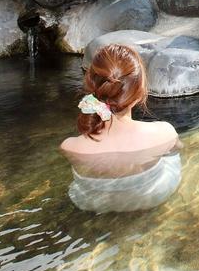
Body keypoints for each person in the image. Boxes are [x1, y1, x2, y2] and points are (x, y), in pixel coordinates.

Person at [60, 43, 181, 213]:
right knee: (171, 155)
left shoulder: (69, 146)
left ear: (92, 87)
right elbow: (176, 150)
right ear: (139, 93)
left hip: (91, 203)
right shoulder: (164, 132)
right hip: (152, 196)